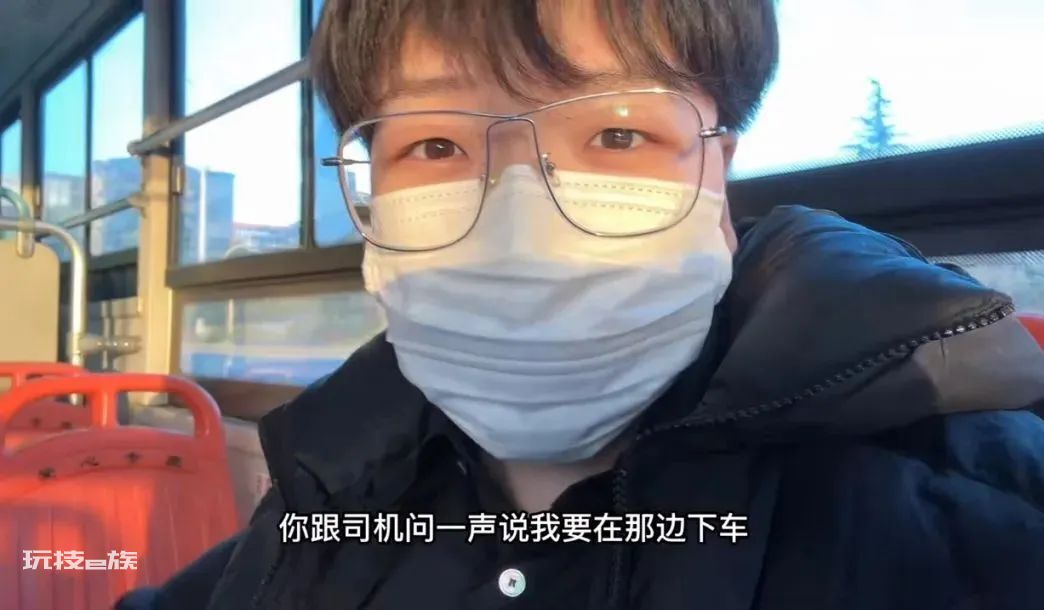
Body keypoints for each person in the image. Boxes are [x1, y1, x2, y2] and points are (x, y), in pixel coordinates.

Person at [117, 0, 1044, 608]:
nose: (522, 219)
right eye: (436, 146)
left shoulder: (970, 510)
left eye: (616, 132)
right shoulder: (332, 482)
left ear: (719, 172)